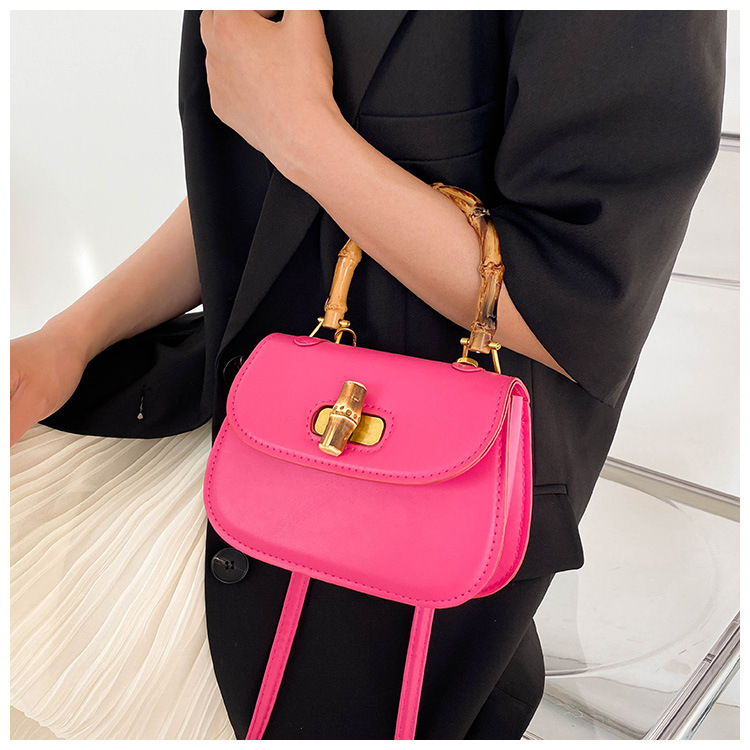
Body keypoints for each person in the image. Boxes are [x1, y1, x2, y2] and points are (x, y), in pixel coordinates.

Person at [10, 10, 726, 740]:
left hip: (400, 522)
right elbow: (263, 192)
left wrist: (301, 130)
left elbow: (579, 303)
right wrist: (67, 339)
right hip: (219, 414)